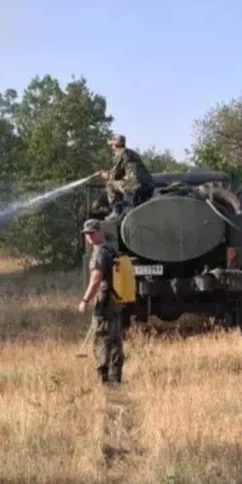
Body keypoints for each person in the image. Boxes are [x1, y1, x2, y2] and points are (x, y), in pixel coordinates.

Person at [77, 218, 124, 384]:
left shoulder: (100, 253)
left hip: (105, 303)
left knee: (102, 338)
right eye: (86, 234)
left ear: (100, 232)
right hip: (116, 301)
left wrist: (85, 300)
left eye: (91, 233)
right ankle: (115, 376)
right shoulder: (111, 250)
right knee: (115, 339)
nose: (89, 237)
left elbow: (96, 278)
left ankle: (104, 378)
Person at [96, 134, 153, 217]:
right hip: (149, 184)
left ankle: (116, 211)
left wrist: (105, 175)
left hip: (134, 185)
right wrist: (110, 172)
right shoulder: (132, 153)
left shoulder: (121, 153)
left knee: (110, 184)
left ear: (115, 144)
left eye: (112, 145)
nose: (112, 148)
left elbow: (114, 176)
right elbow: (124, 170)